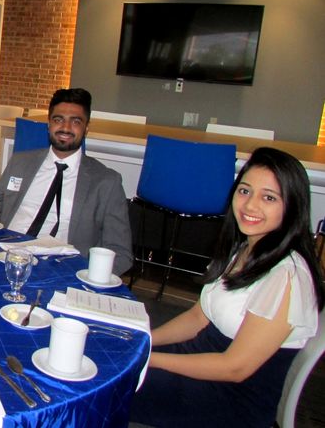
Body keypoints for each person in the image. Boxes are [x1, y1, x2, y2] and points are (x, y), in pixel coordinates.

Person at [129, 147, 324, 428]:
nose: (250, 205)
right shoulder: (246, 247)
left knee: (111, 388)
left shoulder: (287, 276)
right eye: (245, 191)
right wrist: (144, 340)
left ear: (292, 205)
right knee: (111, 368)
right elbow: (199, 317)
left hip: (228, 399)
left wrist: (150, 360)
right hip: (201, 359)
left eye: (268, 197)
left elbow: (235, 368)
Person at [0, 88, 133, 274]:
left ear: (86, 127)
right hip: (7, 257)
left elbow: (121, 252)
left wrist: (89, 279)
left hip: (62, 269)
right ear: (48, 124)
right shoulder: (20, 162)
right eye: (58, 120)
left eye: (75, 121)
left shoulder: (105, 181)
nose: (65, 128)